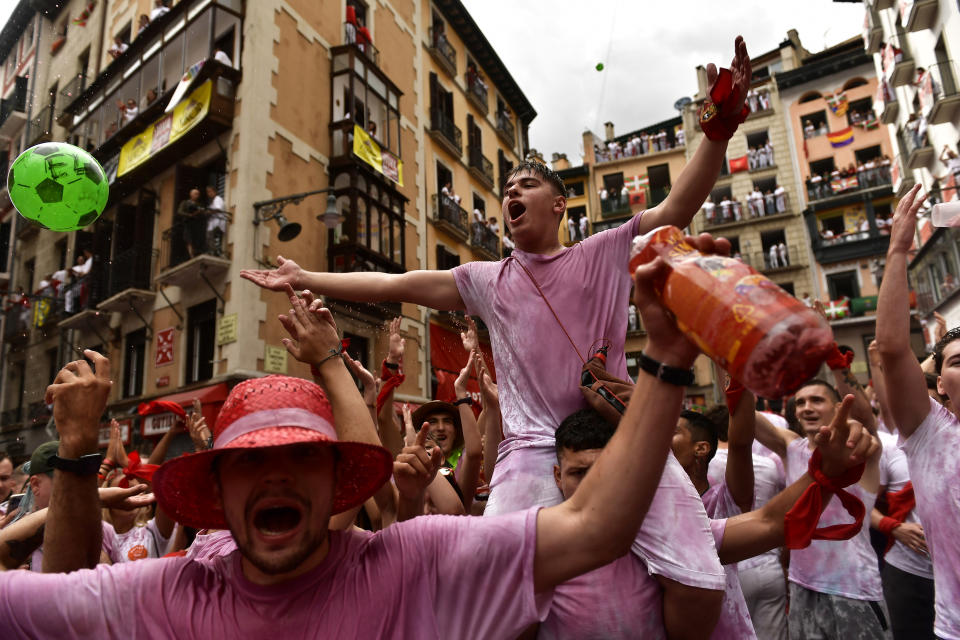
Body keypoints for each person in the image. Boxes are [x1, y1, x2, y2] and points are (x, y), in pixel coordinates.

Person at [240, 38, 753, 627]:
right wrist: (306, 275)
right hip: (531, 454)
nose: (510, 192)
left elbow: (672, 211)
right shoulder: (485, 279)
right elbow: (397, 284)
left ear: (560, 205)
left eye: (526, 185)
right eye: (506, 187)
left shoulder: (602, 252)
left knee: (698, 577)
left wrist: (717, 131)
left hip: (616, 436)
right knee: (491, 599)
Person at [3, 251, 724, 637]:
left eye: (302, 457)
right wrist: (73, 453)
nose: (277, 479)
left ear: (340, 479)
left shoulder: (415, 564)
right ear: (216, 494)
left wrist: (663, 358)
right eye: (250, 464)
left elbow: (596, 526)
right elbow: (52, 602)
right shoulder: (170, 589)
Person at [876, 184, 960, 639]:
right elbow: (892, 348)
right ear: (940, 387)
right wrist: (898, 250)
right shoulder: (932, 434)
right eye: (958, 361)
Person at [754, 379, 888, 639]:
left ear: (838, 408)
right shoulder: (791, 447)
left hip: (853, 590)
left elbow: (865, 423)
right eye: (801, 402)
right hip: (802, 585)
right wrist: (726, 356)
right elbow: (742, 410)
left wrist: (851, 423)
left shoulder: (858, 449)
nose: (806, 408)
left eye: (817, 400)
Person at [177, 188, 206, 258]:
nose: (197, 195)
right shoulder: (185, 203)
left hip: (197, 225)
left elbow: (203, 213)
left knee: (196, 239)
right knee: (189, 239)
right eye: (196, 194)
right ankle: (191, 255)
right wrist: (189, 215)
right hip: (188, 223)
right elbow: (179, 212)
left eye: (198, 194)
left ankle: (196, 253)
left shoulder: (200, 205)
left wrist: (200, 212)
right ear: (191, 194)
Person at [205, 185, 227, 257]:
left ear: (215, 192)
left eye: (210, 191)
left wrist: (209, 212)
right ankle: (214, 252)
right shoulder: (213, 201)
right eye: (208, 192)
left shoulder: (218, 199)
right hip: (214, 223)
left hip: (217, 223)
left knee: (211, 237)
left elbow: (218, 209)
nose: (209, 193)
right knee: (210, 238)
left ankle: (215, 252)